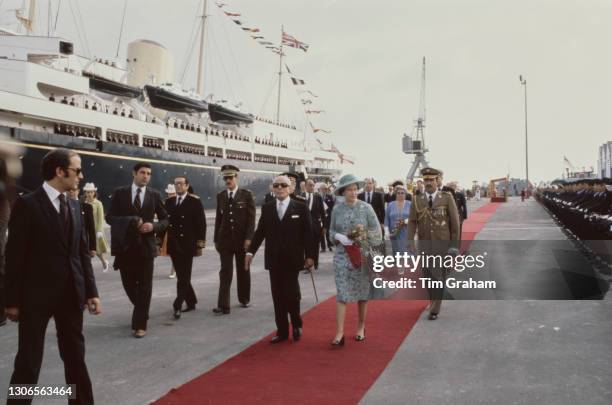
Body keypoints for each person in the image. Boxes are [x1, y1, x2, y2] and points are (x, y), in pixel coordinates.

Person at [5, 148, 101, 404]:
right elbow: (14, 256)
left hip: (71, 294)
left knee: (75, 357)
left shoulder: (74, 204)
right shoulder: (27, 204)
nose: (81, 176)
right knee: (28, 361)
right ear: (60, 171)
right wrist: (11, 301)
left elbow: (81, 254)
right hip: (35, 297)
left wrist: (91, 291)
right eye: (77, 170)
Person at [245, 175, 315, 343]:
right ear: (272, 188)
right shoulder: (268, 208)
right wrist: (250, 253)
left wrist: (311, 256)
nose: (279, 188)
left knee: (291, 294)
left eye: (283, 185)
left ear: (291, 188)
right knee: (277, 296)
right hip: (274, 259)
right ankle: (282, 331)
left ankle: (297, 324)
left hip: (293, 259)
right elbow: (260, 232)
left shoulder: (301, 207)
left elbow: (308, 234)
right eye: (276, 185)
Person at [107, 162, 168, 338]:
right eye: (142, 173)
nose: (146, 176)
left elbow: (165, 220)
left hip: (146, 248)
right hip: (125, 248)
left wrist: (153, 226)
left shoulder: (155, 195)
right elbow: (110, 217)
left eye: (149, 173)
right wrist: (131, 221)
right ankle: (142, 310)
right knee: (129, 285)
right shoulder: (120, 193)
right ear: (134, 174)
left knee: (145, 288)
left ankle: (140, 324)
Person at [329, 174, 383, 346]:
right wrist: (338, 236)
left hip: (361, 255)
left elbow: (377, 233)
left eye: (355, 189)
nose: (353, 193)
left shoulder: (366, 208)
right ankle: (339, 333)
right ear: (342, 192)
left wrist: (362, 237)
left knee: (362, 294)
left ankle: (361, 326)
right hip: (341, 256)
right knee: (342, 294)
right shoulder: (337, 209)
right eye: (349, 190)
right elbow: (330, 232)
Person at [407, 167, 460, 320]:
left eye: (431, 180)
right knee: (428, 276)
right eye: (426, 180)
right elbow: (412, 222)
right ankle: (432, 301)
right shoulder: (417, 199)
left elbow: (455, 225)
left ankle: (436, 308)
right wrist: (410, 240)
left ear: (437, 181)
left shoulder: (446, 197)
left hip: (442, 245)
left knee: (439, 276)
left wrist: (454, 246)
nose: (428, 183)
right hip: (424, 245)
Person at [213, 165, 255, 314]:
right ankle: (223, 305)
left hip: (242, 240)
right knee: (225, 271)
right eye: (225, 178)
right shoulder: (221, 196)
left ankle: (244, 298)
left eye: (230, 177)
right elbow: (219, 219)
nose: (228, 180)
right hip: (225, 241)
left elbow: (251, 220)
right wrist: (216, 240)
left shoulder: (246, 195)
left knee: (243, 270)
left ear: (236, 178)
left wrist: (249, 238)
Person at [166, 176, 206, 319]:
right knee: (183, 275)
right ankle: (191, 301)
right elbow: (165, 223)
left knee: (183, 276)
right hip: (173, 244)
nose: (178, 186)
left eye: (181, 184)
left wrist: (200, 244)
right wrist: (159, 243)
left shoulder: (195, 202)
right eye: (176, 184)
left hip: (188, 244)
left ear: (187, 186)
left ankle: (177, 305)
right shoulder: (169, 202)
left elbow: (201, 223)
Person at [83, 183, 110, 271]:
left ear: (94, 192)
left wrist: (99, 231)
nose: (89, 194)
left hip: (96, 229)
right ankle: (87, 267)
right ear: (85, 193)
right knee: (86, 248)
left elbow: (100, 218)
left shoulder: (98, 203)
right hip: (85, 229)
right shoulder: (83, 203)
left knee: (97, 250)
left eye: (91, 192)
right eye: (87, 192)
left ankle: (104, 262)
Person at [304, 179, 325, 270]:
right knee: (305, 246)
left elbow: (323, 213)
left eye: (313, 185)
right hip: (303, 227)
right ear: (305, 186)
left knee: (315, 245)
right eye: (310, 185)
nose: (312, 187)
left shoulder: (318, 197)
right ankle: (306, 263)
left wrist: (324, 227)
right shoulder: (300, 197)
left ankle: (315, 263)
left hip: (316, 227)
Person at [384, 185, 412, 254]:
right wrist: (386, 231)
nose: (400, 194)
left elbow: (414, 217)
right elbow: (386, 219)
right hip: (394, 233)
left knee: (407, 253)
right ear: (395, 194)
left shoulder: (410, 204)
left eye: (402, 193)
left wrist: (405, 221)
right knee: (396, 252)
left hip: (406, 232)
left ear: (405, 194)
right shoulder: (390, 204)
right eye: (398, 193)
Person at [161, 184, 177, 279]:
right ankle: (175, 268)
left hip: (179, 231)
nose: (170, 195)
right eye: (169, 194)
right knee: (172, 252)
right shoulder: (166, 203)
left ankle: (174, 270)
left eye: (172, 193)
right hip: (169, 231)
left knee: (176, 252)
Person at [319, 183, 335, 252]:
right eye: (323, 189)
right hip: (320, 217)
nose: (324, 190)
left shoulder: (330, 196)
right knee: (321, 232)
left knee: (328, 231)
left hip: (328, 217)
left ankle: (329, 245)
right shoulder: (317, 196)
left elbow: (332, 207)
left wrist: (328, 212)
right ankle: (323, 247)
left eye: (325, 189)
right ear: (320, 189)